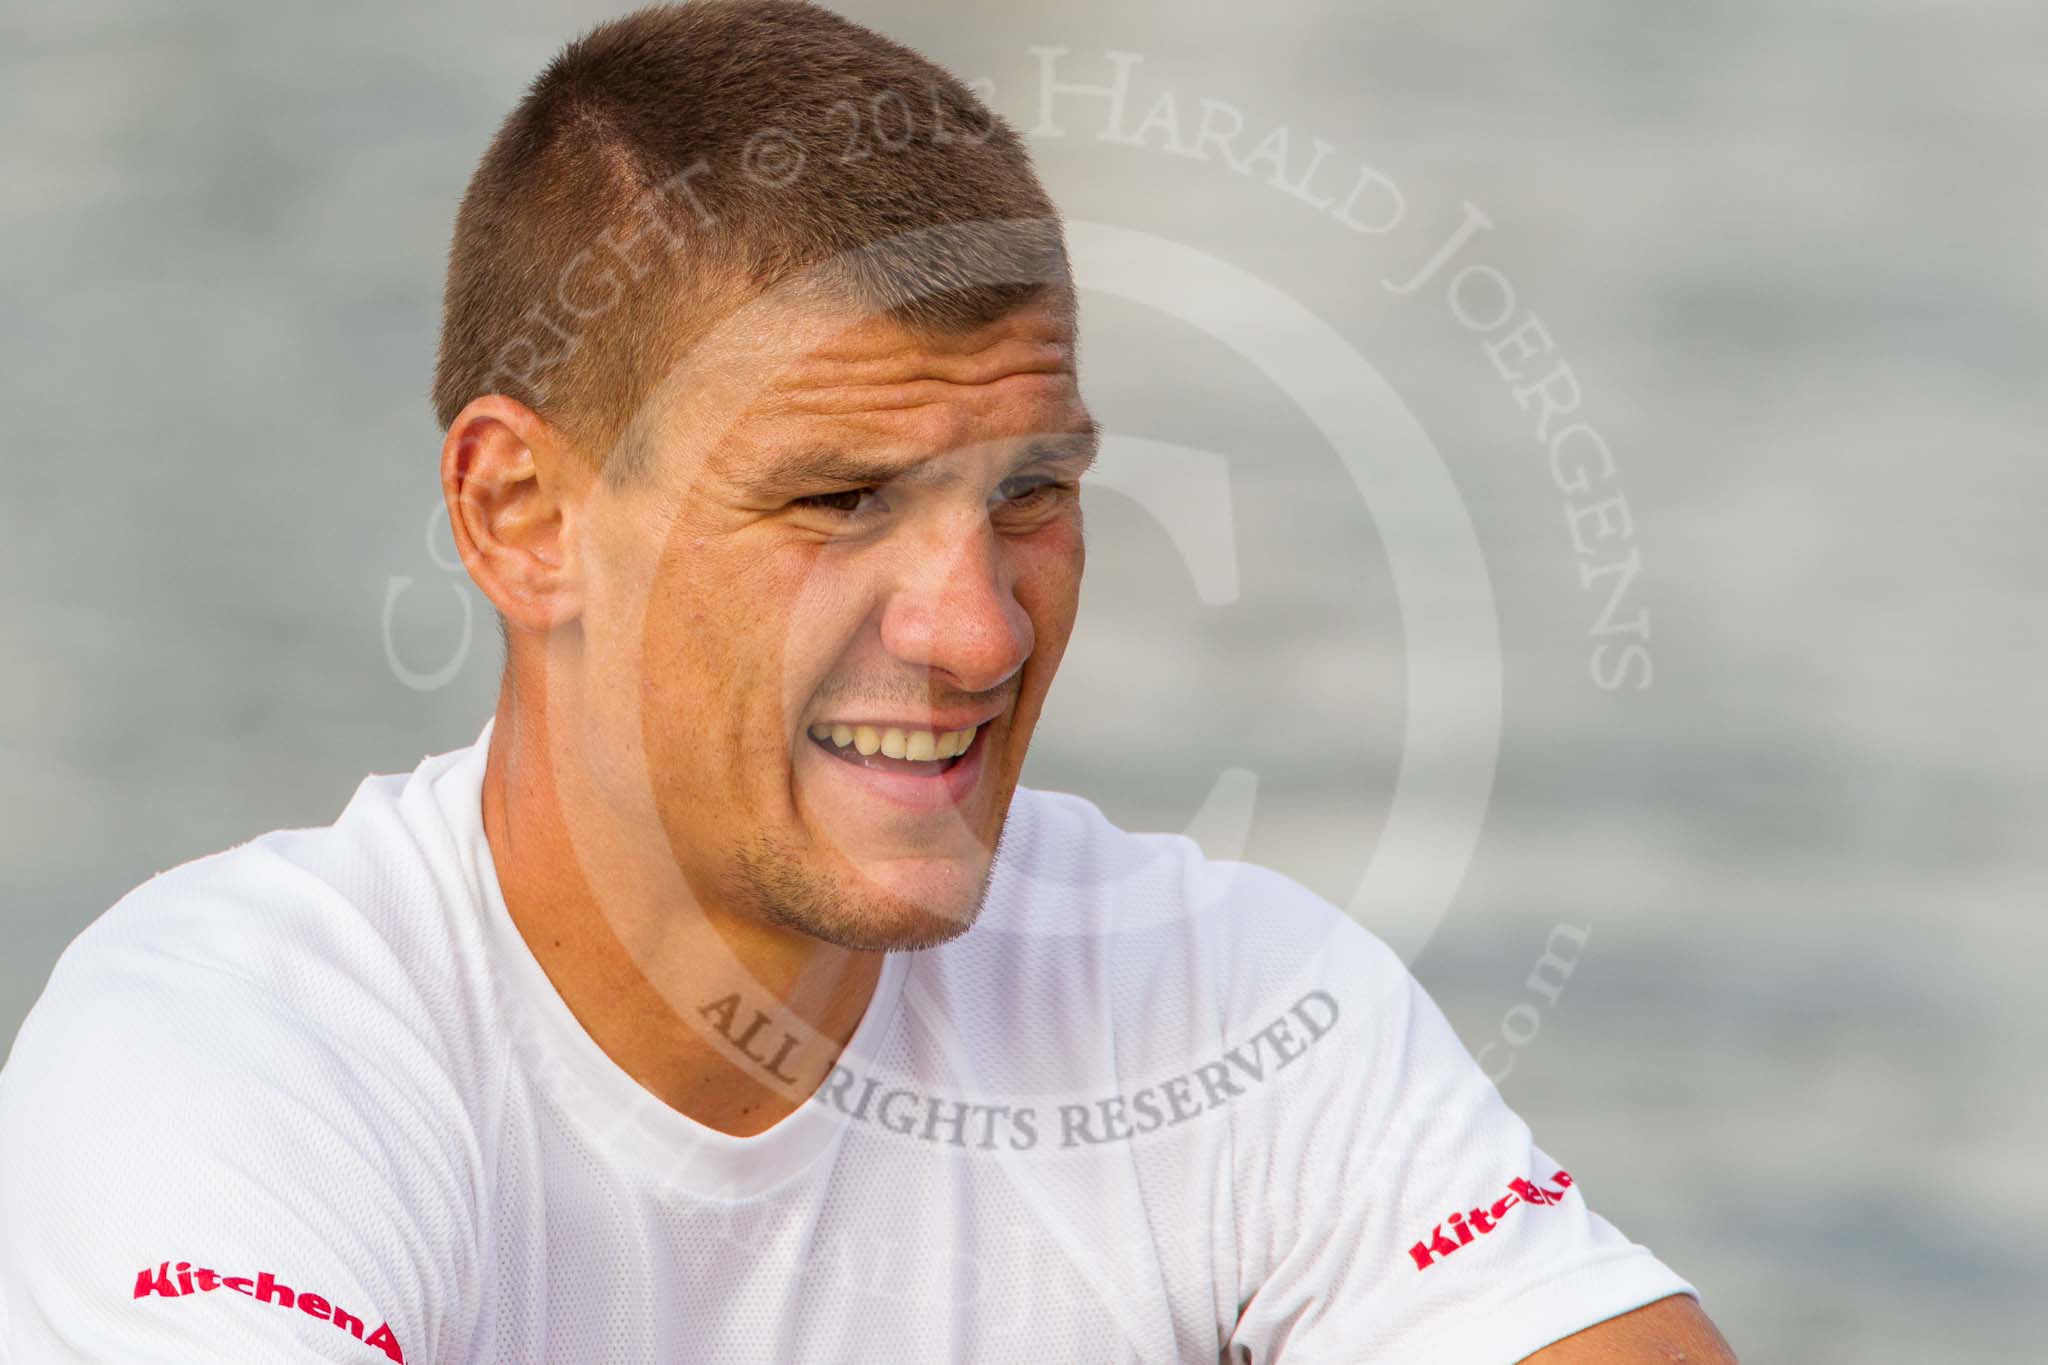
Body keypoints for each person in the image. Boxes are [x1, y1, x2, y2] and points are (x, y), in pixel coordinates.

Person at [0, 3, 1736, 1361]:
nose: (980, 635)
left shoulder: (1224, 999)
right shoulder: (230, 1053)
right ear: (521, 518)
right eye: (840, 500)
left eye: (1032, 496)